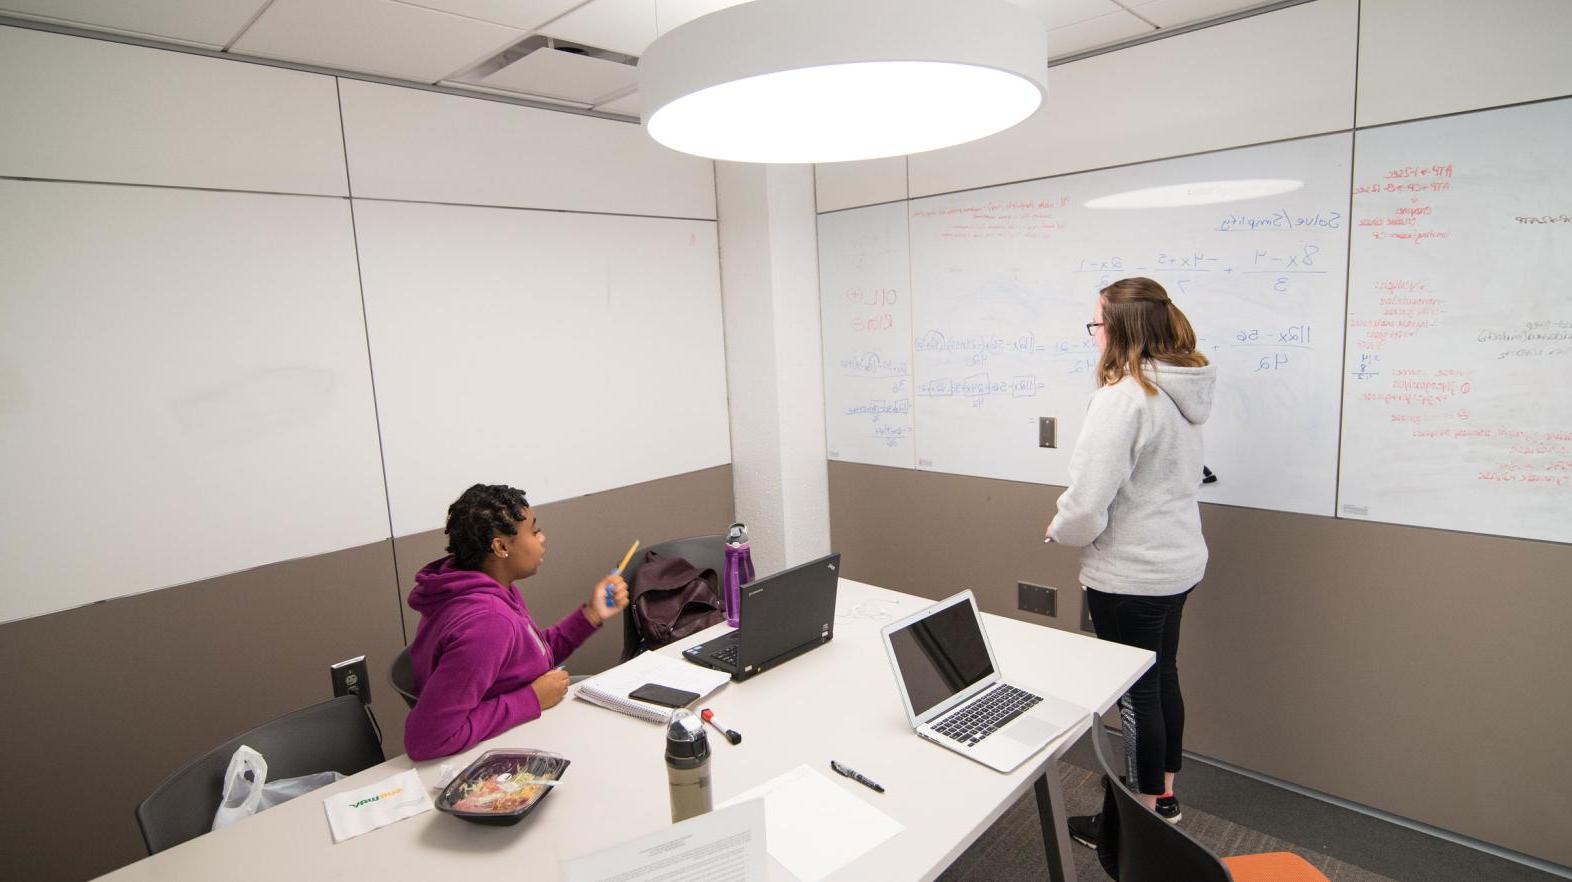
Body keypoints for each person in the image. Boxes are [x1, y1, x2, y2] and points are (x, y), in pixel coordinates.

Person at [1044, 277, 1215, 847]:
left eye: (1097, 324)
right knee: (1162, 676)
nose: (1094, 335)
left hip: (1131, 575)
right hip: (1176, 564)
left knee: (1136, 694)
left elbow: (1088, 501)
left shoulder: (1124, 398)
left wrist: (1061, 530)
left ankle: (1138, 829)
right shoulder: (1179, 391)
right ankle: (1163, 800)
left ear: (1120, 330)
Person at [403, 483, 628, 760]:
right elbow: (427, 739)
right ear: (500, 546)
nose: (542, 538)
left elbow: (530, 655)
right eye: (534, 531)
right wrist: (531, 699)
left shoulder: (483, 587)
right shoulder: (488, 622)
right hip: (490, 757)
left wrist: (592, 615)